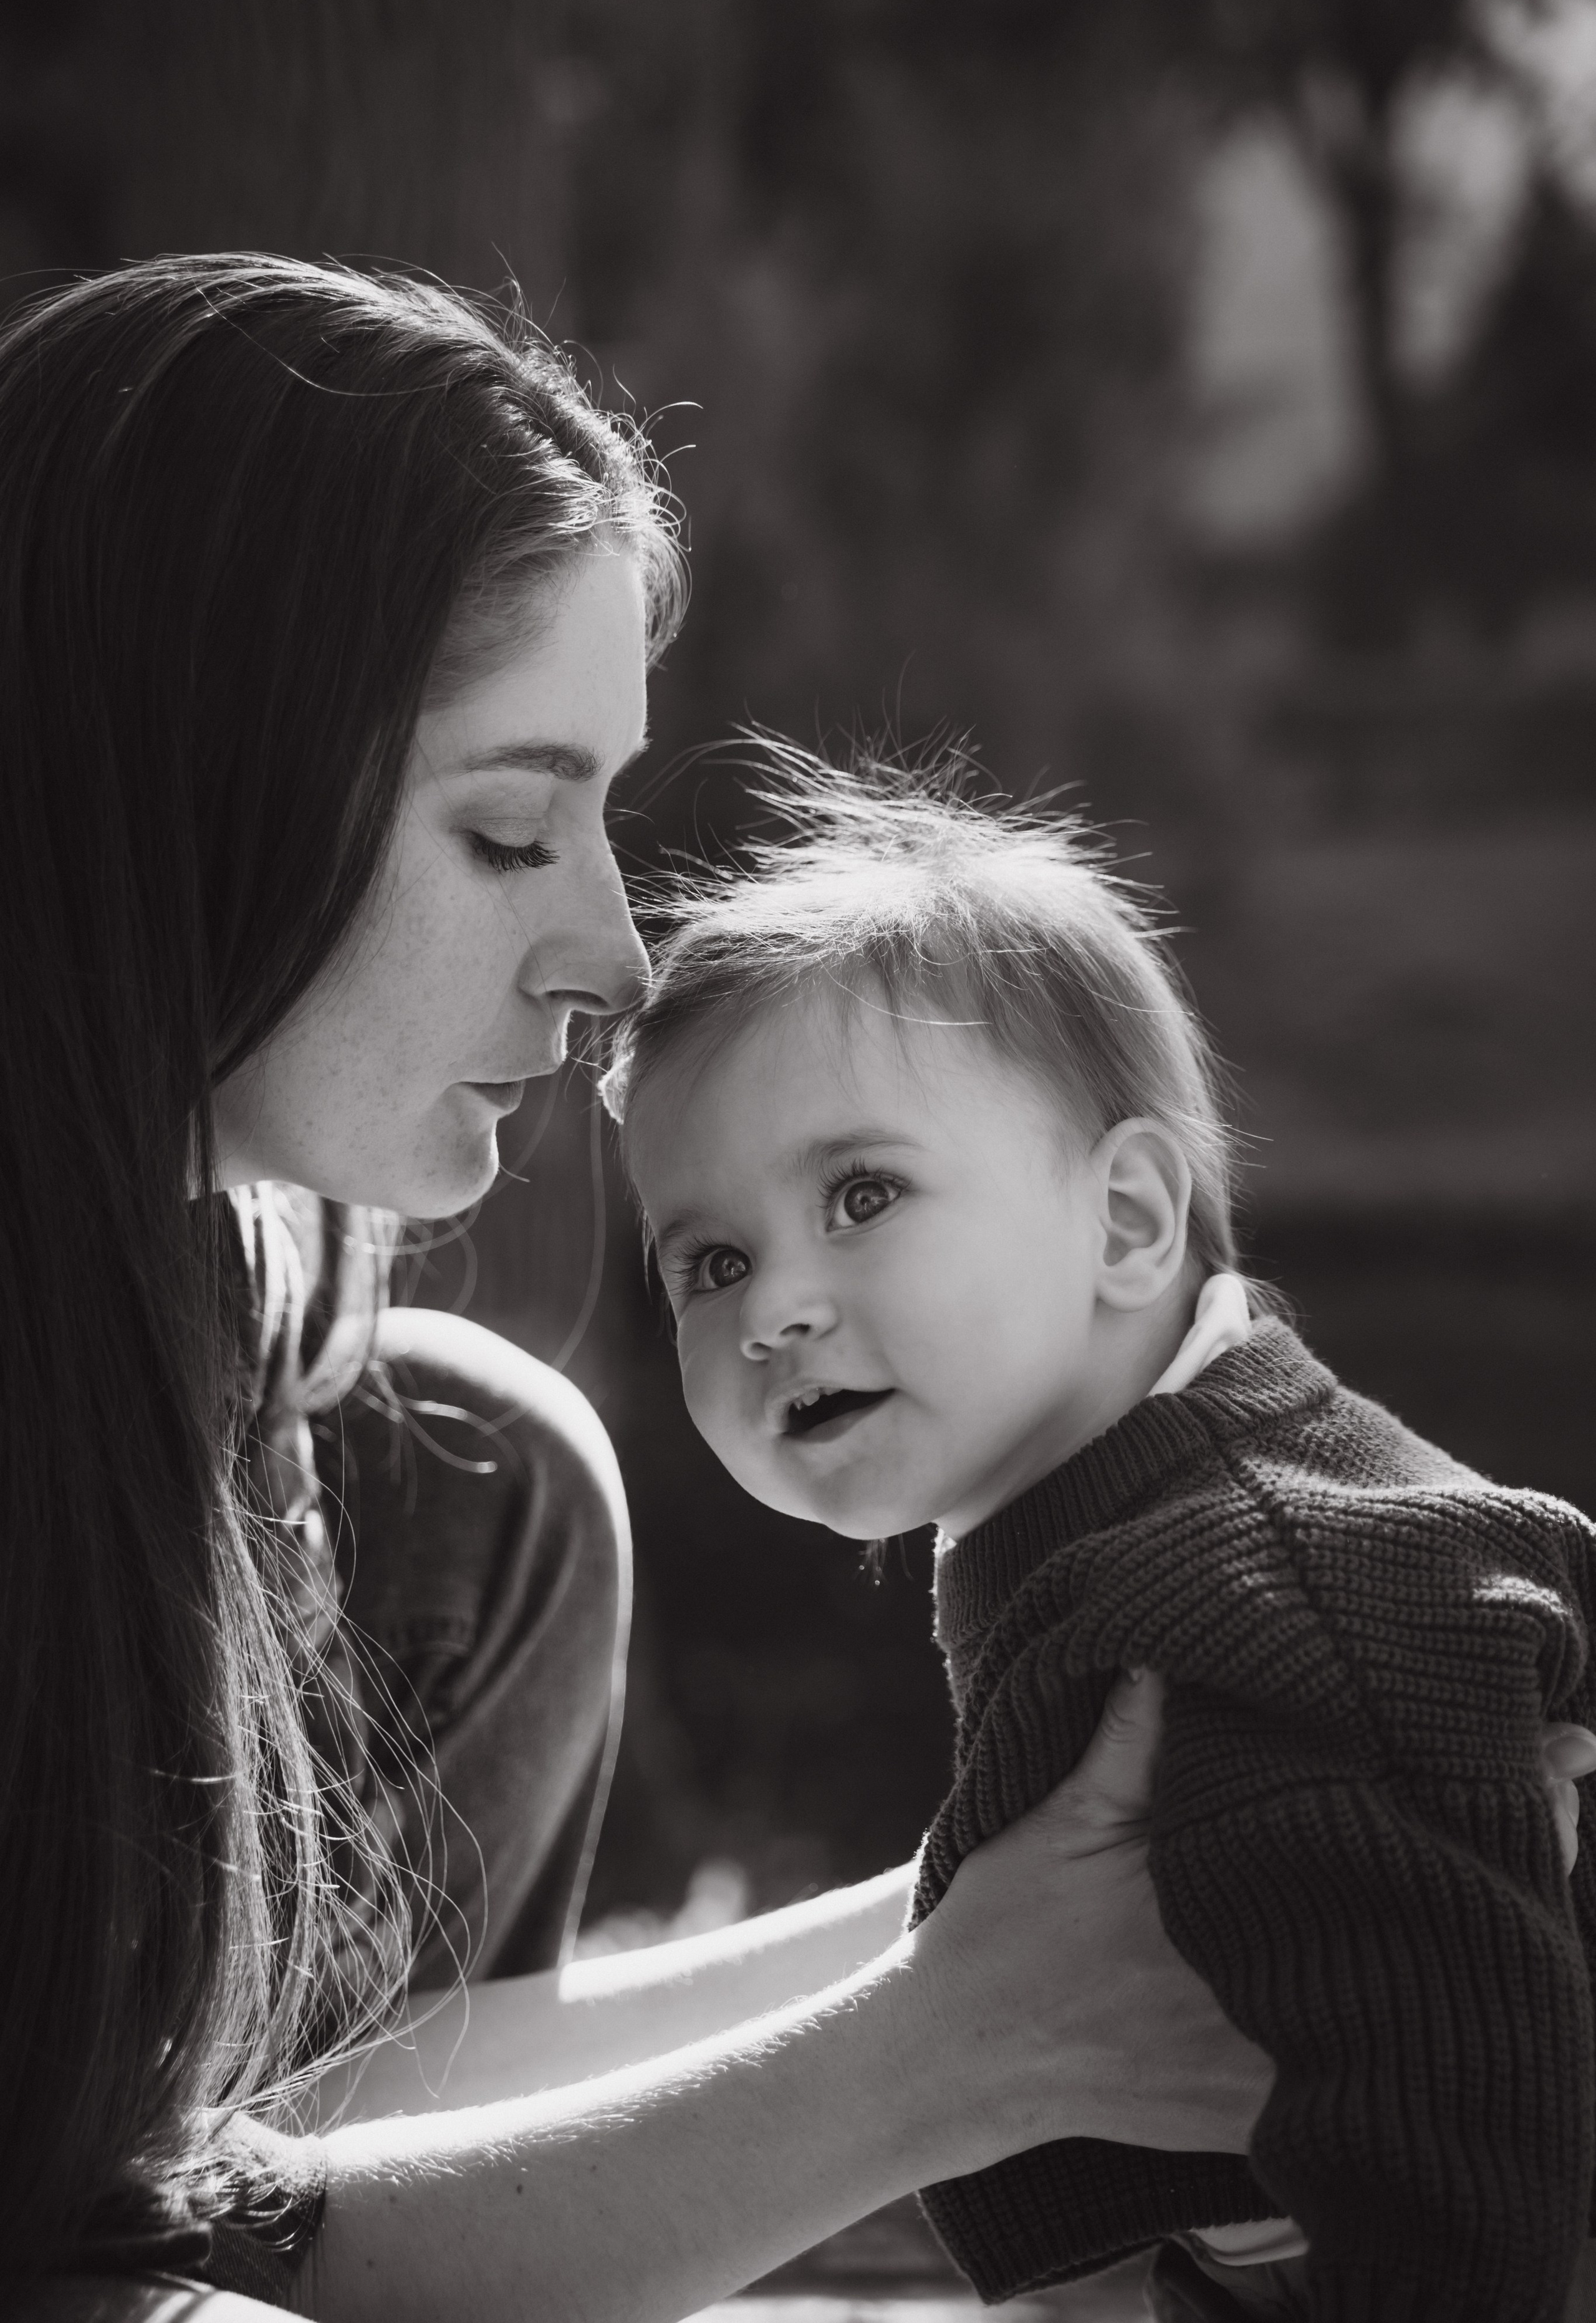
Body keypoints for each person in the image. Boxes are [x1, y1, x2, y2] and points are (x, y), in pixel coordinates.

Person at [0, 252, 1292, 2323]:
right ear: (193, 774)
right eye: (511, 836)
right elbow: (121, 2261)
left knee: (493, 1470)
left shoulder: (243, 1338)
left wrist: (1035, 1908)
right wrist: (950, 2058)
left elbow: (265, 2164)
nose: (614, 961)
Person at [603, 749, 1596, 2323]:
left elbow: (1470, 2145)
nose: (774, 1306)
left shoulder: (1275, 1590)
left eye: (861, 1195)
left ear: (1125, 1222)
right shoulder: (1113, 1525)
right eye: (709, 1262)